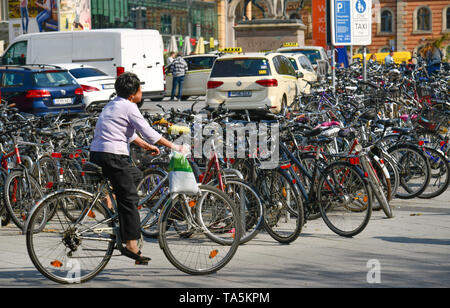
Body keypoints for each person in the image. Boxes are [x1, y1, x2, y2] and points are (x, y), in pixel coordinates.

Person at [89, 72, 186, 265]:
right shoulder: (129, 106)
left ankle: (109, 198)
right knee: (130, 200)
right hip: (113, 156)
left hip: (98, 153)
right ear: (133, 93)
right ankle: (132, 245)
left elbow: (128, 134)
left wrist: (146, 146)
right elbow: (148, 131)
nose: (141, 92)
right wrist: (175, 147)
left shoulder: (114, 104)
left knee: (136, 174)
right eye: (140, 89)